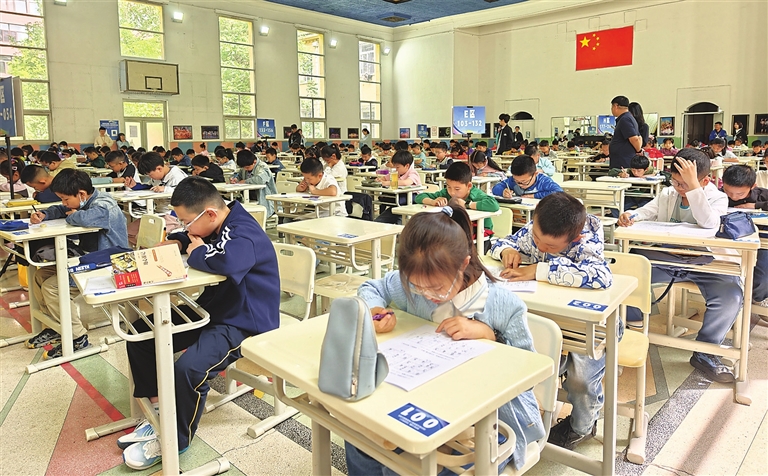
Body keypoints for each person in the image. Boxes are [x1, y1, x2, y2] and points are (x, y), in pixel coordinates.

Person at [345, 203, 544, 476]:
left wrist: (490, 335)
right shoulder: (412, 285)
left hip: (492, 420)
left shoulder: (502, 303)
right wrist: (375, 309)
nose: (427, 295)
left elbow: (528, 371)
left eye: (437, 287)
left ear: (463, 264)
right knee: (359, 437)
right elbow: (372, 287)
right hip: (424, 399)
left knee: (409, 468)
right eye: (417, 286)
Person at [120, 177, 280, 470]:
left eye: (186, 221)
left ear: (209, 213)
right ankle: (159, 412)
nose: (185, 227)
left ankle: (174, 440)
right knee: (141, 333)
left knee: (189, 370)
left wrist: (196, 252)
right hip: (216, 309)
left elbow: (228, 261)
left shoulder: (244, 233)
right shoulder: (217, 222)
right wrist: (179, 240)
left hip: (244, 321)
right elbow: (194, 236)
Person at [488, 192, 612, 449]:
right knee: (509, 355)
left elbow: (601, 276)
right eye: (536, 239)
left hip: (586, 326)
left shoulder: (586, 240)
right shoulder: (537, 229)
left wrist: (538, 270)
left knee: (580, 380)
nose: (541, 247)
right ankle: (517, 416)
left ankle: (582, 427)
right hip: (546, 318)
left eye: (551, 247)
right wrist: (507, 250)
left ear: (574, 238)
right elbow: (499, 242)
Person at [618, 149, 740, 382]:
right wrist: (631, 215)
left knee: (731, 295)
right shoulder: (668, 193)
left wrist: (694, 188)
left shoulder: (717, 198)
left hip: (706, 262)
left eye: (684, 183)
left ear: (705, 181)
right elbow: (648, 211)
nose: (678, 187)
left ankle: (706, 352)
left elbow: (709, 223)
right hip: (667, 257)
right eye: (675, 181)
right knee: (628, 270)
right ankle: (631, 326)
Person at [25, 169, 128, 359]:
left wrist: (72, 215)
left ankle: (78, 337)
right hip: (89, 259)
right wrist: (44, 214)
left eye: (65, 199)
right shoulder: (82, 201)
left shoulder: (104, 204)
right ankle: (58, 326)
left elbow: (84, 217)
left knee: (53, 287)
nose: (64, 203)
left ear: (81, 194)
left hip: (109, 263)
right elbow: (60, 210)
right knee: (40, 276)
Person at [415, 162, 499, 250]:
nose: (452, 192)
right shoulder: (445, 193)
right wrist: (433, 201)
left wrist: (467, 204)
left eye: (457, 189)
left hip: (480, 236)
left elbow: (494, 205)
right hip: (454, 234)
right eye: (448, 187)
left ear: (469, 186)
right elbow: (419, 197)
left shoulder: (475, 194)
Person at [721, 165, 767, 307]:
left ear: (753, 186)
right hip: (727, 242)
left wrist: (755, 206)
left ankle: (756, 298)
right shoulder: (718, 195)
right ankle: (734, 301)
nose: (733, 197)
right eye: (728, 191)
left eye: (740, 194)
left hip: (761, 240)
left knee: (763, 275)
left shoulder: (762, 195)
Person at [374, 150, 422, 224]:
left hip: (412, 201)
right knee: (378, 222)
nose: (396, 169)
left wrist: (387, 183)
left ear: (407, 166)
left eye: (398, 167)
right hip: (398, 202)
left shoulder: (413, 173)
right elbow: (385, 178)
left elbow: (406, 182)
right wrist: (379, 180)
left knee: (400, 221)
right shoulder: (397, 173)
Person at [492, 155, 562, 199]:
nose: (520, 185)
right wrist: (503, 192)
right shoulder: (512, 180)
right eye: (517, 182)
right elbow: (496, 188)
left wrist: (534, 196)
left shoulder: (543, 181)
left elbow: (560, 193)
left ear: (535, 174)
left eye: (524, 182)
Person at [232, 149, 278, 216]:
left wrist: (245, 181)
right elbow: (240, 175)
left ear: (254, 162)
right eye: (244, 167)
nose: (245, 169)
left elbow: (260, 180)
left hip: (264, 200)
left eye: (247, 167)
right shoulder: (246, 165)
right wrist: (236, 179)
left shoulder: (262, 167)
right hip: (249, 197)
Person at [609, 96, 642, 169]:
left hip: (623, 162)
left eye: (612, 107)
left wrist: (639, 151)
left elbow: (635, 139)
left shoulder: (625, 119)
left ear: (615, 106)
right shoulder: (629, 118)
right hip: (622, 160)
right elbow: (640, 137)